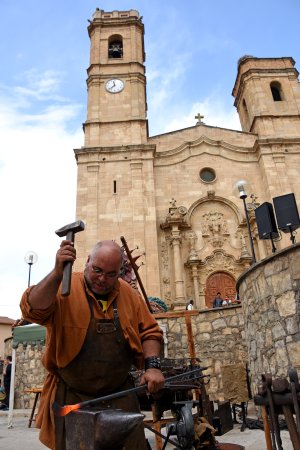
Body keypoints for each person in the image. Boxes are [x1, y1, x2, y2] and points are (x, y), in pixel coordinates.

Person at [20, 239, 165, 450]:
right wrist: (56, 274)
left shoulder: (128, 295)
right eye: (97, 270)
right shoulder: (63, 287)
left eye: (110, 274)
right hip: (72, 396)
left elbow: (150, 332)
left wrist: (153, 366)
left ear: (119, 272)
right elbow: (31, 310)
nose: (102, 279)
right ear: (87, 261)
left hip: (119, 395)